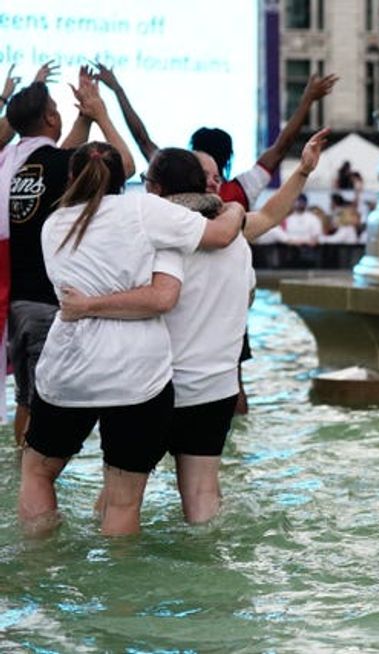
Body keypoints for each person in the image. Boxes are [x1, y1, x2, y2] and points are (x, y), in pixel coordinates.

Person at [62, 129, 332, 524]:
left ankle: (112, 571)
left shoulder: (152, 241)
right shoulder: (235, 237)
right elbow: (272, 215)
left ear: (154, 189)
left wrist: (86, 306)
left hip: (151, 388)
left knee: (117, 500)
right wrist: (302, 172)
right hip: (216, 389)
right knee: (204, 496)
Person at [18, 141, 244, 536]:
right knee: (122, 502)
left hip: (68, 371)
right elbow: (219, 237)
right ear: (128, 181)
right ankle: (119, 595)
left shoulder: (52, 225)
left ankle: (39, 566)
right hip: (136, 378)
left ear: (72, 178)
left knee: (37, 472)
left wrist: (86, 306)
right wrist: (237, 208)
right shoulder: (146, 210)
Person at [1, 65, 135, 447]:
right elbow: (124, 167)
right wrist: (101, 114)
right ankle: (34, 485)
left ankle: (21, 470)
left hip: (17, 304)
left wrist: (83, 113)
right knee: (47, 404)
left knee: (25, 399)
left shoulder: (15, 165)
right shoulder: (59, 165)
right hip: (49, 303)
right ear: (49, 117)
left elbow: (65, 152)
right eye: (56, 107)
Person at [93, 63, 338, 210]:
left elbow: (141, 138)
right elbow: (281, 146)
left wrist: (117, 90)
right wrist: (307, 100)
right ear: (229, 156)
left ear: (191, 150)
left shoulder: (172, 174)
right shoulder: (243, 189)